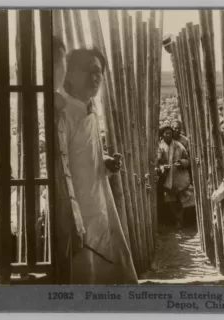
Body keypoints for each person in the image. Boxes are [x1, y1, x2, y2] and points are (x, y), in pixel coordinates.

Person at [53, 42, 138, 284]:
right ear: (68, 73)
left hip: (98, 201)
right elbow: (61, 165)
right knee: (84, 271)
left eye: (99, 72)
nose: (95, 77)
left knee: (105, 264)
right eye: (88, 70)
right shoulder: (63, 112)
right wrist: (72, 210)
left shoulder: (88, 109)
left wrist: (106, 161)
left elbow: (85, 154)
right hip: (75, 206)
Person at [156, 121, 191, 230]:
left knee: (182, 200)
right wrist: (162, 168)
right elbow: (156, 162)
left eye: (170, 133)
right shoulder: (159, 147)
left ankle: (180, 221)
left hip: (179, 177)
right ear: (162, 135)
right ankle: (175, 221)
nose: (168, 135)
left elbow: (187, 159)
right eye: (165, 133)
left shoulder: (179, 146)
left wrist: (181, 162)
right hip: (166, 178)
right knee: (170, 201)